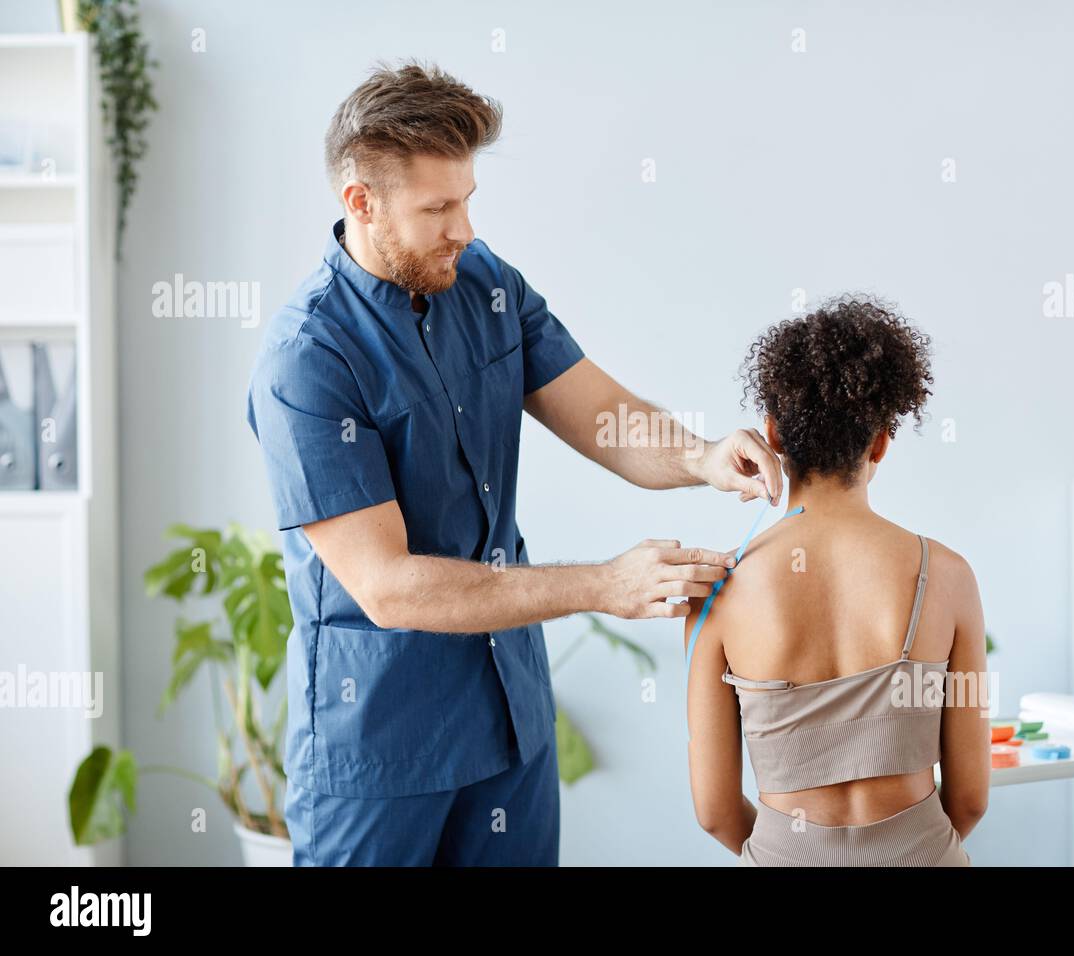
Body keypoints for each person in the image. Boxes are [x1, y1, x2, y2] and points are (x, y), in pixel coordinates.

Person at [245, 60, 786, 866]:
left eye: (466, 199)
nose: (463, 227)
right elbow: (388, 587)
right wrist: (604, 585)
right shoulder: (308, 360)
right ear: (361, 203)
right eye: (437, 208)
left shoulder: (485, 282)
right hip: (380, 750)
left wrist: (702, 457)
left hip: (508, 722)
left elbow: (602, 415)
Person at [684, 294, 990, 866]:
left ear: (772, 434)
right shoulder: (949, 576)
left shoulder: (717, 590)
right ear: (880, 442)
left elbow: (716, 812)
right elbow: (970, 800)